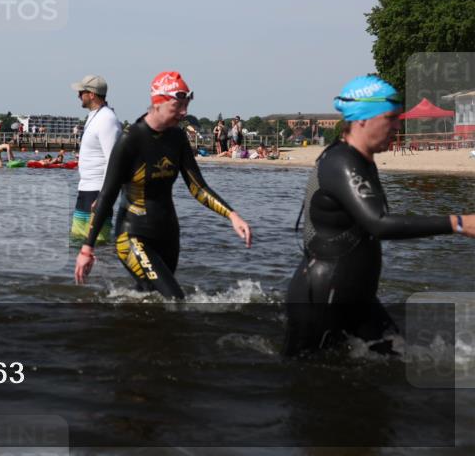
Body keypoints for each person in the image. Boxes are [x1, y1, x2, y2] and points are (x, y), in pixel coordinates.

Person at [283, 75, 474, 356]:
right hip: (323, 299)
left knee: (397, 361)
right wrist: (459, 222)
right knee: (311, 384)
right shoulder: (341, 163)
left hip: (357, 298)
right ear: (362, 119)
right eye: (390, 118)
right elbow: (379, 224)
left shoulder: (361, 161)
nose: (398, 126)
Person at [74, 71, 252, 298]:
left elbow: (198, 187)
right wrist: (87, 248)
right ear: (158, 103)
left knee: (151, 295)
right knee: (175, 298)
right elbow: (108, 194)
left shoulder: (177, 138)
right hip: (132, 236)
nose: (184, 112)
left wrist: (232, 215)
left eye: (186, 105)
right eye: (178, 106)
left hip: (168, 235)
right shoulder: (131, 140)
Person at [69, 75, 122, 245]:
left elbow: (114, 161)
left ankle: (104, 272)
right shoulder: (94, 116)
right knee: (77, 241)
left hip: (98, 192)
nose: (78, 95)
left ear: (91, 94)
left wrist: (103, 198)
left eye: (81, 92)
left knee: (98, 244)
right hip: (85, 189)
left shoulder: (107, 119)